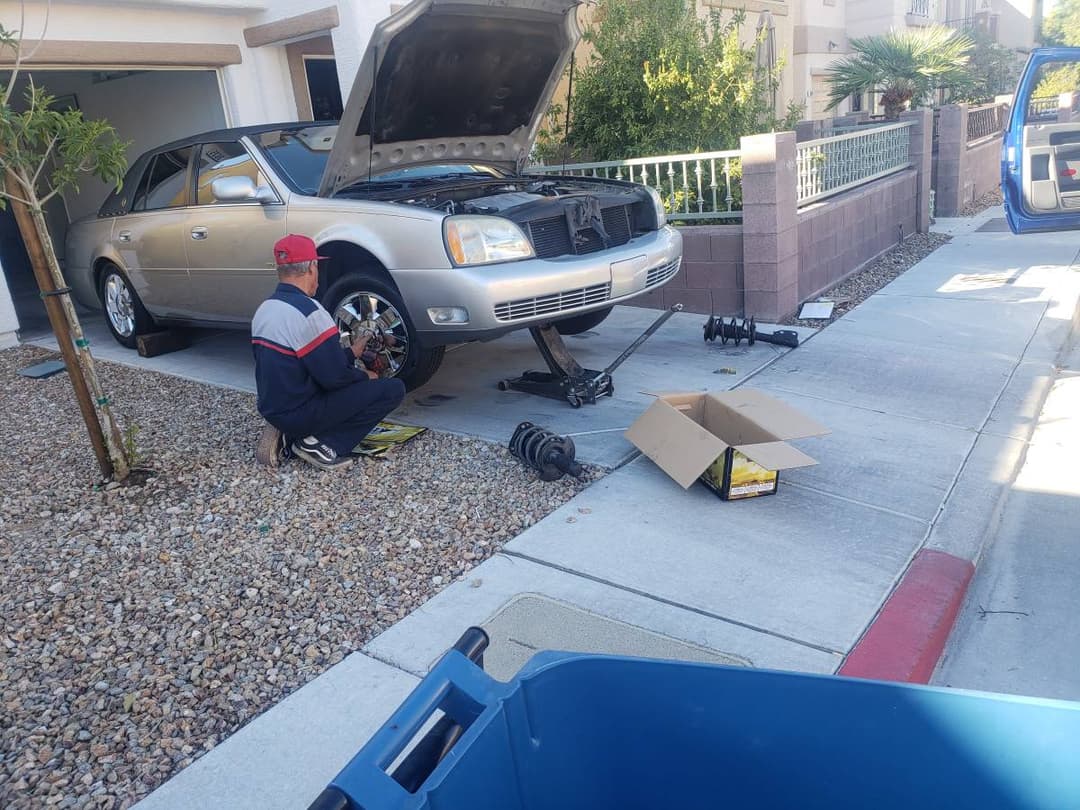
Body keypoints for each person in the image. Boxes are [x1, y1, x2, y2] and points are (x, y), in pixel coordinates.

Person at [252, 234, 406, 470]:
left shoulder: (266, 309)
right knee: (392, 390)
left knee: (345, 382)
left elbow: (306, 364)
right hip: (300, 412)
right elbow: (335, 379)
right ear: (312, 268)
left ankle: (288, 434)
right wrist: (367, 377)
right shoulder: (311, 313)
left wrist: (352, 352)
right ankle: (323, 445)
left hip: (274, 407)